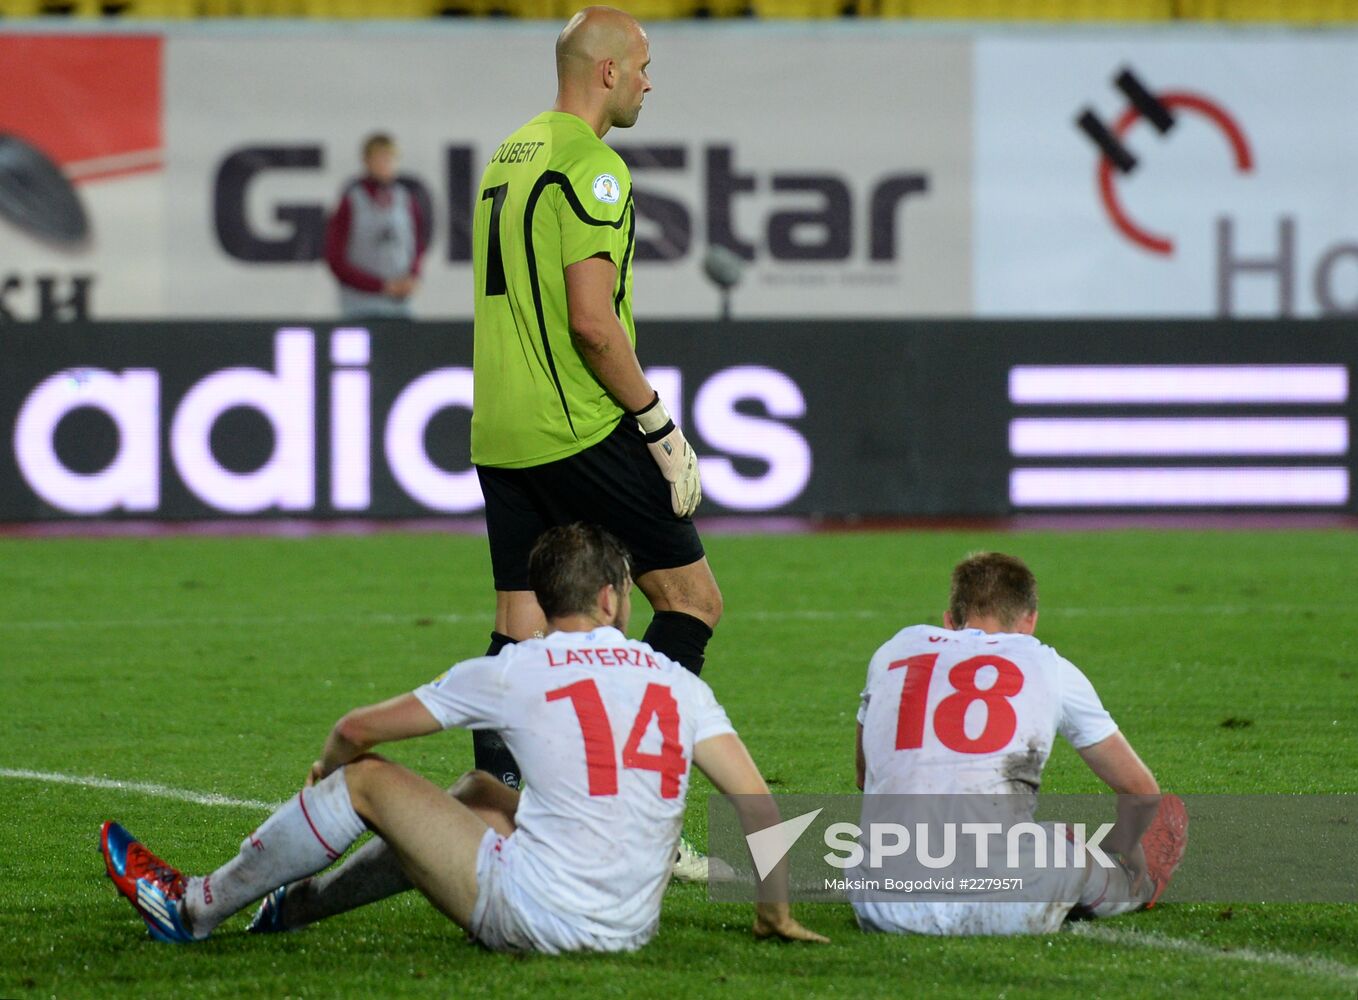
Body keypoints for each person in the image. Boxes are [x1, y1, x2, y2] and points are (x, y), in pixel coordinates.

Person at [100, 524, 826, 952]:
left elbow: (356, 730)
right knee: (483, 792)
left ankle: (194, 907)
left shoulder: (516, 669)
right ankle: (296, 908)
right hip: (630, 925)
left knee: (367, 782)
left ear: (547, 601)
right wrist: (774, 912)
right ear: (612, 597)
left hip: (544, 917)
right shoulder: (677, 681)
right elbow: (756, 803)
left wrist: (327, 768)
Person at [466, 6, 721, 874]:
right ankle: (635, 818)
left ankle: (499, 813)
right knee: (690, 602)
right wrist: (659, 425)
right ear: (607, 71)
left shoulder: (510, 154)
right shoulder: (593, 169)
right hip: (576, 426)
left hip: (499, 430)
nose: (652, 81)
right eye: (644, 65)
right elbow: (594, 325)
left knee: (522, 629)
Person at [851, 552, 1187, 936]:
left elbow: (864, 776)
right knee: (1068, 852)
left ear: (948, 620)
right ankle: (1138, 886)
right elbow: (1141, 792)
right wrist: (1125, 844)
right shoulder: (1049, 665)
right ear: (1031, 621)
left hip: (883, 907)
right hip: (1008, 906)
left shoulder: (895, 649)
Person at [324, 133, 428, 319]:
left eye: (389, 158)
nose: (385, 164)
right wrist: (380, 286)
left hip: (399, 307)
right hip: (359, 307)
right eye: (379, 157)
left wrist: (411, 277)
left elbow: (417, 244)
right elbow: (335, 258)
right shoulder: (351, 201)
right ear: (366, 161)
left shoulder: (404, 199)